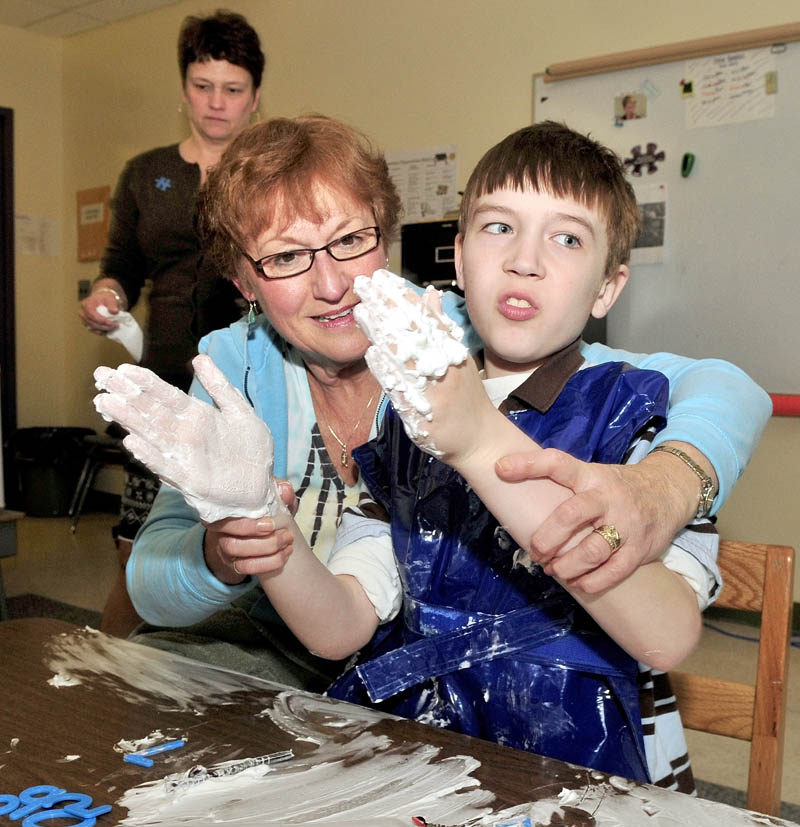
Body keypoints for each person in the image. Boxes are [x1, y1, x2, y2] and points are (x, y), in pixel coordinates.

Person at [94, 115, 768, 694]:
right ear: (244, 278)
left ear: (386, 239)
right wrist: (234, 544)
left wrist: (671, 479)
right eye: (286, 258)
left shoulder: (466, 339)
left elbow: (724, 388)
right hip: (322, 663)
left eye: (350, 240)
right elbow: (159, 577)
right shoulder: (233, 366)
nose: (331, 284)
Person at [77, 10, 265, 636]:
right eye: (203, 85)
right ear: (183, 88)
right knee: (142, 552)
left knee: (246, 546)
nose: (216, 103)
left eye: (233, 89)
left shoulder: (269, 174)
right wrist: (108, 294)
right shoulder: (146, 173)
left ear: (255, 97)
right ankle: (113, 678)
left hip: (252, 381)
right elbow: (122, 265)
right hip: (163, 388)